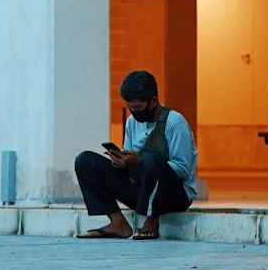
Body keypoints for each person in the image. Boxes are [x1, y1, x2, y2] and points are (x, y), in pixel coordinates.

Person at [75, 69, 198, 240]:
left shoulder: (175, 123)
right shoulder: (132, 122)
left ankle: (152, 221)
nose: (133, 111)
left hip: (174, 196)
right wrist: (122, 161)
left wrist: (139, 163)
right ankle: (118, 223)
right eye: (129, 107)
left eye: (138, 107)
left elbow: (183, 169)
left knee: (151, 159)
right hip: (142, 191)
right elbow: (131, 159)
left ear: (153, 101)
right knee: (85, 161)